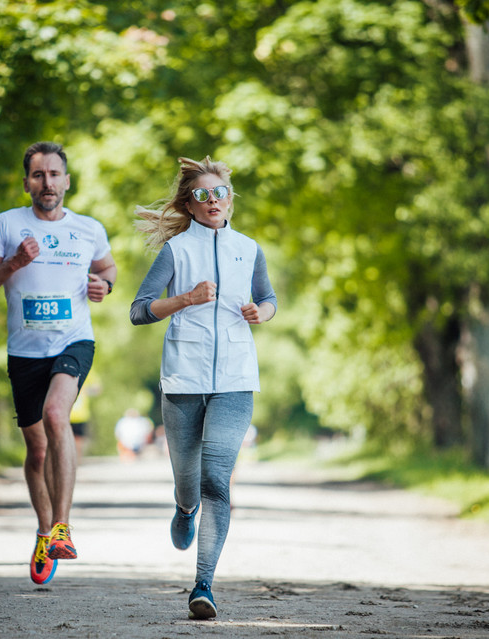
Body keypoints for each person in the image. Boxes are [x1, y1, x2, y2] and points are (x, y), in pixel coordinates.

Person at [130, 156, 276, 619]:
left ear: (230, 200)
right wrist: (185, 299)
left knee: (217, 479)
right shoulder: (176, 251)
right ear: (190, 206)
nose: (212, 201)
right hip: (184, 378)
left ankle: (204, 585)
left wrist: (262, 313)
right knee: (189, 481)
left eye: (220, 194)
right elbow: (139, 310)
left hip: (235, 378)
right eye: (202, 195)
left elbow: (268, 298)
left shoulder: (249, 248)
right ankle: (183, 507)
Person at [0, 141, 117, 586]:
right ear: (27, 183)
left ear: (67, 181)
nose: (47, 183)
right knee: (36, 451)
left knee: (58, 416)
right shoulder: (7, 225)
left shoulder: (89, 228)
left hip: (74, 342)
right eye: (38, 175)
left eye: (55, 174)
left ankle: (62, 529)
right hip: (24, 352)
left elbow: (108, 270)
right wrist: (14, 262)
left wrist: (103, 287)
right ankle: (42, 528)